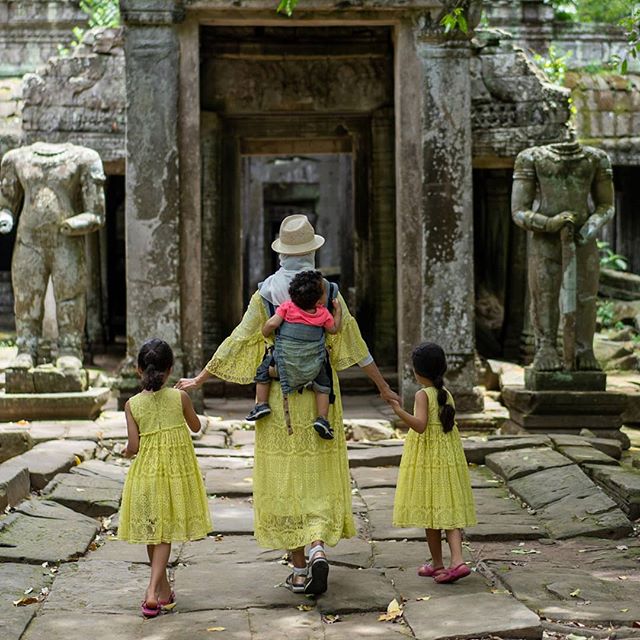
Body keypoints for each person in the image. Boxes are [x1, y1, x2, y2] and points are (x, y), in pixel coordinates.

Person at [176, 214, 398, 595]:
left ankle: (298, 570)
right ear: (312, 251)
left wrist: (201, 377)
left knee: (286, 479)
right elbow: (354, 343)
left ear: (282, 252)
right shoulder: (328, 292)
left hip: (280, 400)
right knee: (317, 474)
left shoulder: (266, 293)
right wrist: (384, 388)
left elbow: (240, 338)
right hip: (320, 398)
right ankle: (317, 549)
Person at [118, 338, 212, 617]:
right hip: (175, 473)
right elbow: (195, 427)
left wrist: (124, 452)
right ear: (170, 369)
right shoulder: (179, 397)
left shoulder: (132, 404)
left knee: (154, 530)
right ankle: (151, 590)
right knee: (164, 531)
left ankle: (164, 592)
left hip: (146, 472)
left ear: (138, 369)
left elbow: (133, 447)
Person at [389, 342, 477, 584]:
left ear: (417, 372)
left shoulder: (422, 394)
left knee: (430, 512)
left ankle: (444, 563)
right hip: (447, 459)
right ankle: (453, 561)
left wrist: (398, 410)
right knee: (447, 508)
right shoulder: (445, 393)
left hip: (428, 459)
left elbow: (420, 425)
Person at [246, 269, 342, 440]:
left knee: (262, 372)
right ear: (319, 299)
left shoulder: (287, 307)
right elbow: (334, 330)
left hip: (284, 362)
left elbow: (271, 325)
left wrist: (265, 331)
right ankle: (322, 419)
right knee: (323, 388)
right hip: (314, 364)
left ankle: (261, 404)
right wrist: (338, 312)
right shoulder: (323, 313)